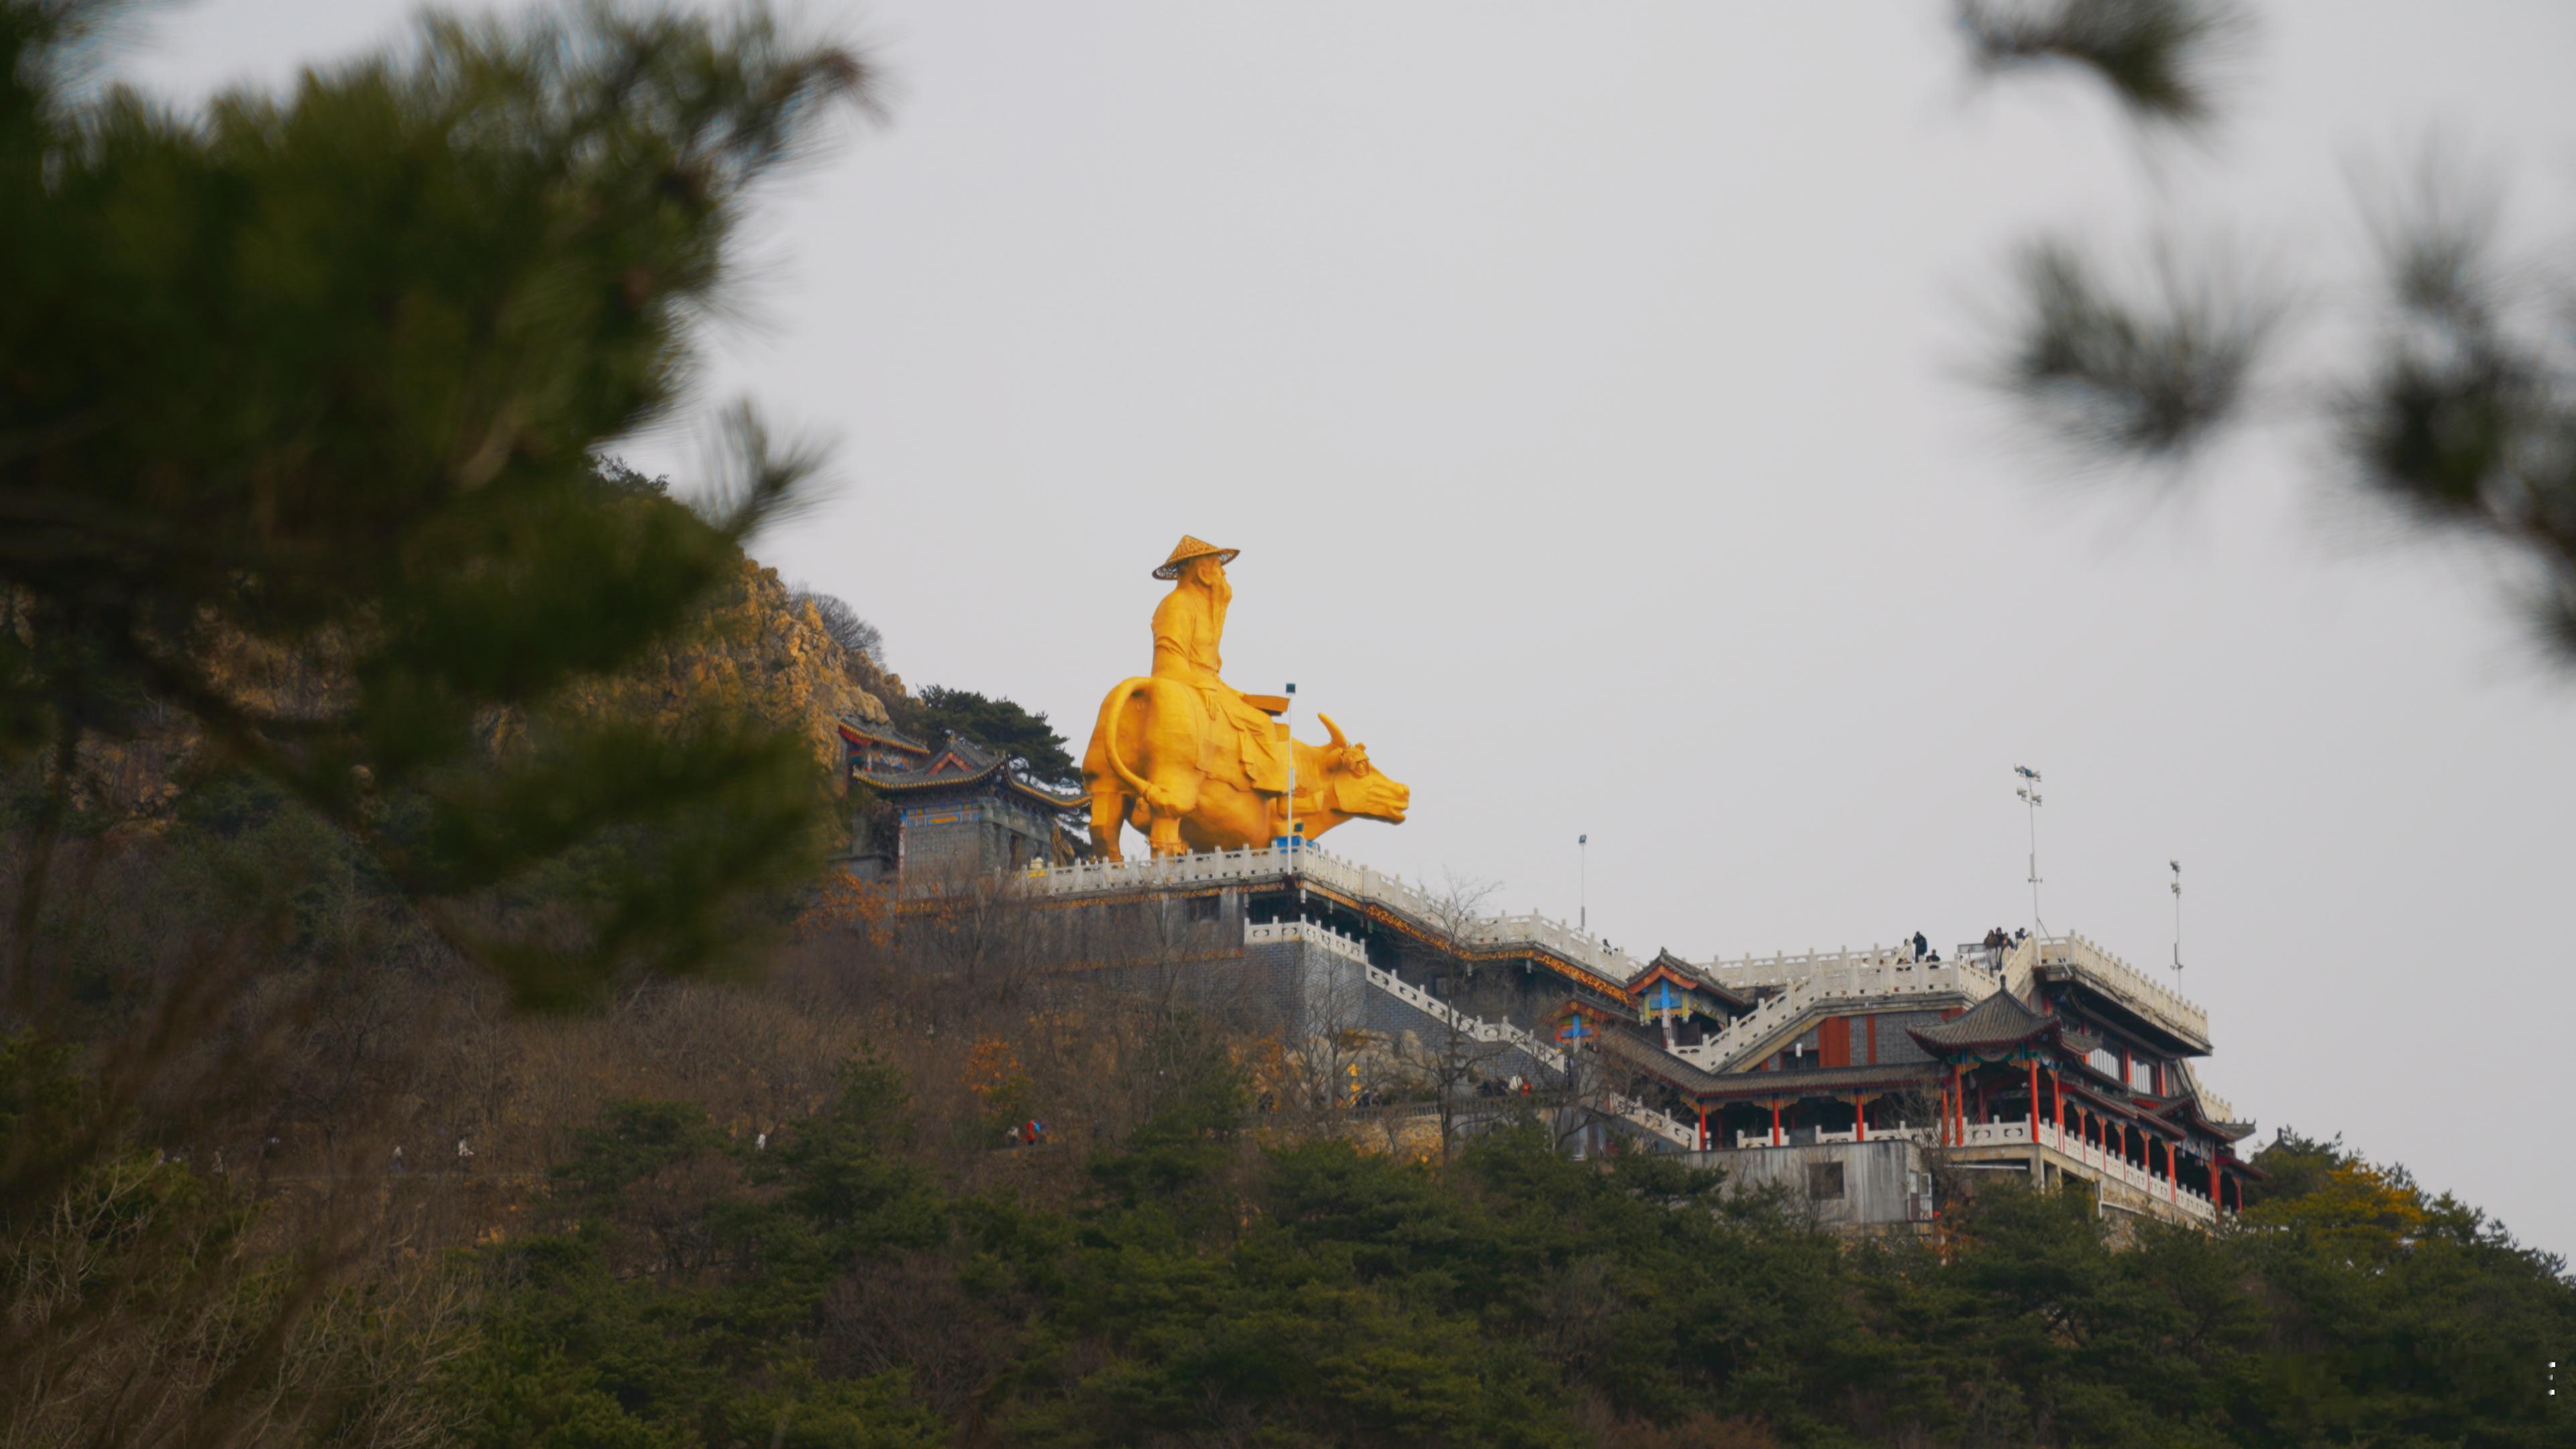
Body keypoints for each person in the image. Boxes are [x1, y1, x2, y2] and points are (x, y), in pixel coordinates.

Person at [1148, 536, 1288, 794]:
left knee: (1267, 717)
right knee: (1262, 725)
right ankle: (1274, 793)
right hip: (1188, 684)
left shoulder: (1205, 609)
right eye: (1218, 566)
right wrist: (1202, 684)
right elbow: (1167, 665)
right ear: (1203, 574)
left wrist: (1238, 695)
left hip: (1211, 684)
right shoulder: (1176, 604)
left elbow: (1209, 670)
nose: (1224, 573)